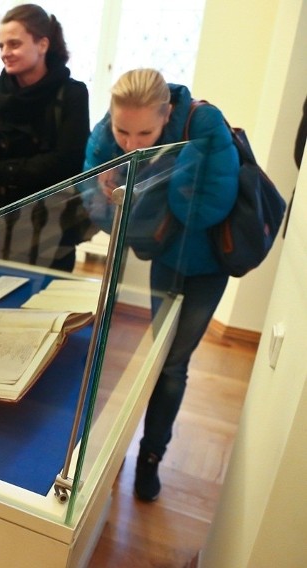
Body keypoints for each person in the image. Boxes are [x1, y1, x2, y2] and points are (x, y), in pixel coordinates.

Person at [84, 68, 238, 502]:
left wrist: (155, 178)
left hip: (207, 265)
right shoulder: (110, 130)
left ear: (167, 113)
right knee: (135, 357)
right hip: (156, 257)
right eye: (122, 130)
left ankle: (151, 456)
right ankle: (109, 452)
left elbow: (205, 209)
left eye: (145, 132)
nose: (131, 143)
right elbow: (94, 198)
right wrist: (115, 195)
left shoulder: (203, 123)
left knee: (171, 365)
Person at [0, 3, 91, 270]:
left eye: (14, 44)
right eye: (1, 46)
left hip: (51, 224)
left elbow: (67, 163)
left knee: (44, 306)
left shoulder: (72, 94)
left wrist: (3, 170)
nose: (5, 53)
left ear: (42, 45)